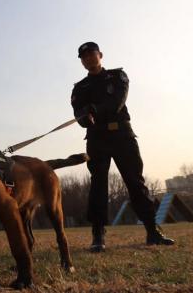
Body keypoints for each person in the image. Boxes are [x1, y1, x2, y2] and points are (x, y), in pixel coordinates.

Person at [70, 41, 174, 251]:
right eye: (84, 57)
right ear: (81, 61)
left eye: (91, 54)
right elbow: (78, 113)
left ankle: (152, 231)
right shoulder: (79, 87)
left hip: (122, 136)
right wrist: (84, 118)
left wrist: (94, 110)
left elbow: (117, 101)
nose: (88, 59)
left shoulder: (118, 76)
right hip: (97, 139)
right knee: (98, 186)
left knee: (135, 182)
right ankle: (98, 235)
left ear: (100, 55)